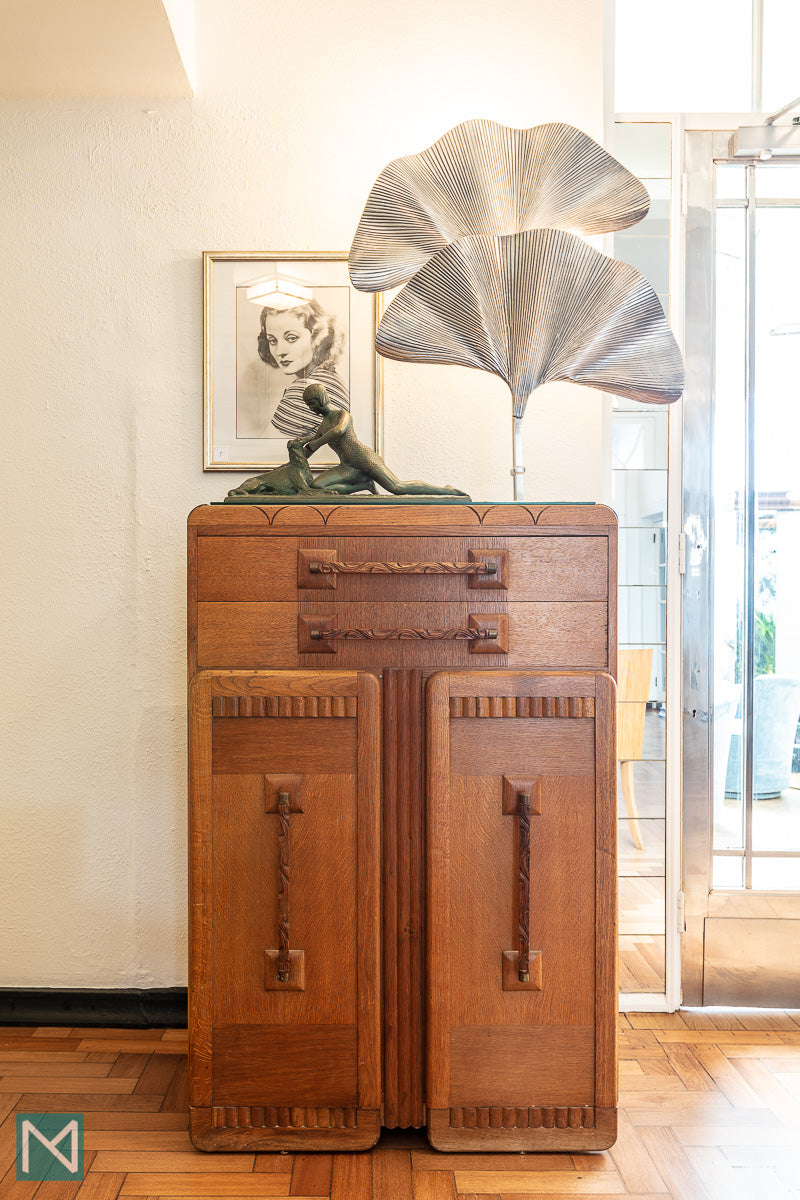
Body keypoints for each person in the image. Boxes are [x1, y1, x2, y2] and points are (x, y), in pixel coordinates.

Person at [299, 383, 470, 497]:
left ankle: (447, 491)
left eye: (312, 403)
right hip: (347, 466)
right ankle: (363, 485)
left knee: (396, 487)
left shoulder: (342, 415)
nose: (311, 408)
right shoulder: (322, 426)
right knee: (317, 487)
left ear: (321, 399)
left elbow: (338, 431)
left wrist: (316, 442)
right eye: (308, 405)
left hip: (363, 458)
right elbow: (310, 448)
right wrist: (296, 456)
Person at [258, 300, 349, 438]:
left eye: (291, 338)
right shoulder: (330, 379)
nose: (280, 351)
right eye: (272, 340)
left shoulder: (306, 391)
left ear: (318, 336)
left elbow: (266, 451)